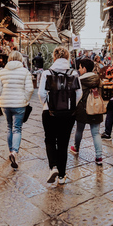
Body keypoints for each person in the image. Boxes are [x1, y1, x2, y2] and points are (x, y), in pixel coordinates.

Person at [38, 46, 82, 184]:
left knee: (50, 140)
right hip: (68, 114)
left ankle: (53, 167)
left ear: (54, 58)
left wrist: (46, 104)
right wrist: (70, 106)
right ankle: (62, 177)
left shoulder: (47, 73)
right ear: (68, 58)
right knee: (63, 143)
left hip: (49, 112)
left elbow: (41, 94)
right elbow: (79, 94)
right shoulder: (73, 73)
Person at [0, 51, 34, 169]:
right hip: (19, 104)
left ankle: (10, 150)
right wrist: (25, 99)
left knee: (9, 127)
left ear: (9, 59)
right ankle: (14, 152)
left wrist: (2, 98)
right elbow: (30, 89)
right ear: (21, 59)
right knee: (17, 128)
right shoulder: (25, 71)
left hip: (5, 104)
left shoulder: (2, 72)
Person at [70, 58, 104, 165]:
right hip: (96, 108)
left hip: (82, 109)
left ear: (84, 68)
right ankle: (99, 157)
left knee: (79, 130)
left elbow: (76, 96)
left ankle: (76, 148)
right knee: (96, 133)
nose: (79, 70)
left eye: (80, 68)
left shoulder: (79, 80)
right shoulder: (98, 79)